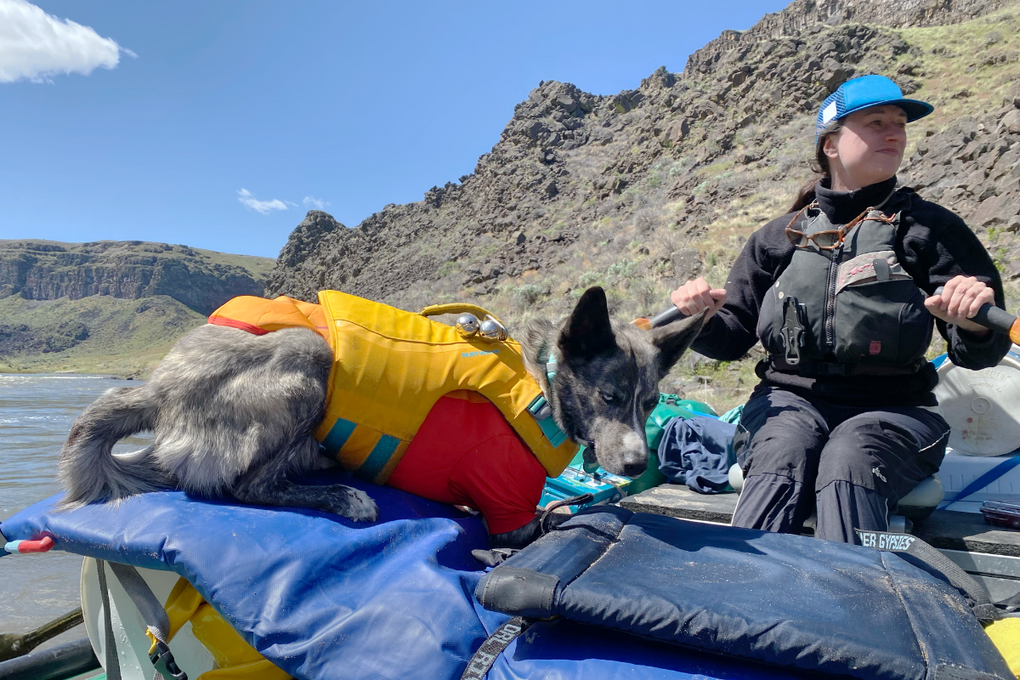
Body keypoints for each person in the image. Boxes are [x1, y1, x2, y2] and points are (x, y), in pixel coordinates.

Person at [669, 74, 1012, 544]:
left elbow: (981, 355)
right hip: (788, 403)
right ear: (830, 144)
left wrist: (973, 327)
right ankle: (744, 583)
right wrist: (699, 319)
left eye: (899, 124)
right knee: (783, 453)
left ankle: (847, 588)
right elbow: (730, 339)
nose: (894, 134)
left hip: (896, 409)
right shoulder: (776, 238)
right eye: (876, 123)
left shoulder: (932, 230)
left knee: (850, 455)